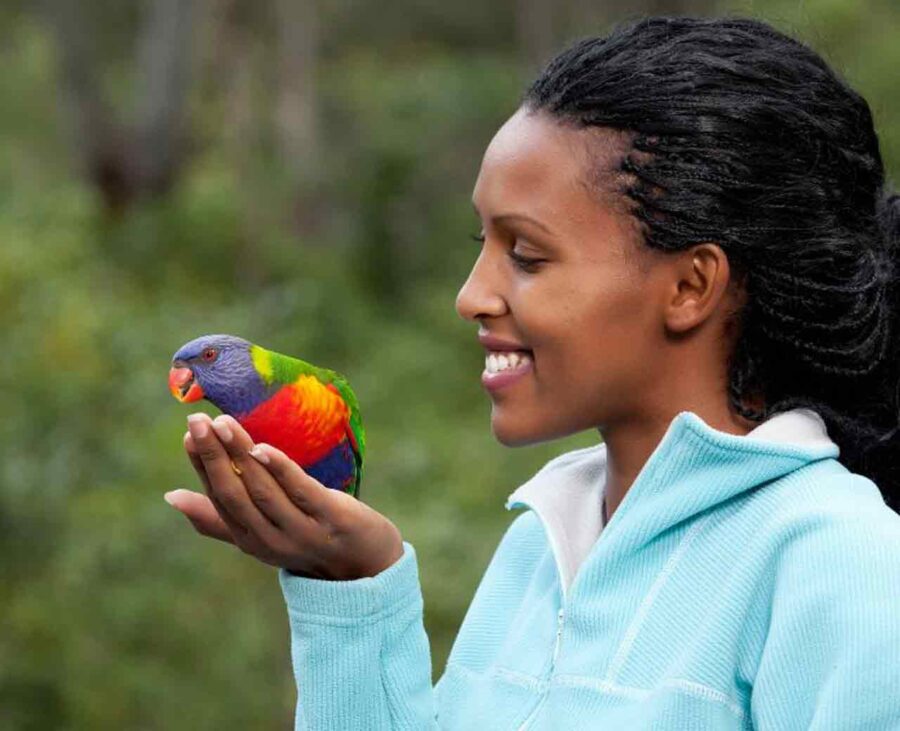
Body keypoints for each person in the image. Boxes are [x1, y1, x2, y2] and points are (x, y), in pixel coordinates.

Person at [164, 15, 900, 729]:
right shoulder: (540, 546)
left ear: (689, 287)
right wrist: (350, 586)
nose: (470, 294)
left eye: (526, 255)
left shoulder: (839, 562)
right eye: (482, 242)